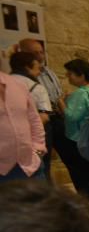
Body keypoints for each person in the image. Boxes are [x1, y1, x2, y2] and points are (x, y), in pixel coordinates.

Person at [16, 39, 63, 179]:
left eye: (41, 52)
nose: (40, 55)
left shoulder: (49, 72)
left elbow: (58, 95)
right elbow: (43, 117)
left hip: (55, 118)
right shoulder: (30, 84)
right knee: (41, 164)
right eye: (35, 52)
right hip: (38, 124)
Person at [62, 58, 89, 207]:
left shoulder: (80, 93)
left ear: (81, 75)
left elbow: (72, 116)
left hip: (77, 139)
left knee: (82, 176)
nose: (68, 77)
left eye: (70, 74)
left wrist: (61, 104)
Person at [0, 68, 46, 183]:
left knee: (42, 200)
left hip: (30, 164)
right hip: (2, 171)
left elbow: (34, 119)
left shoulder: (17, 84)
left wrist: (38, 148)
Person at [9, 50, 52, 126]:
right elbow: (44, 117)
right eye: (37, 68)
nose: (39, 72)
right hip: (26, 132)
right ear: (27, 68)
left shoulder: (3, 82)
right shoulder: (38, 88)